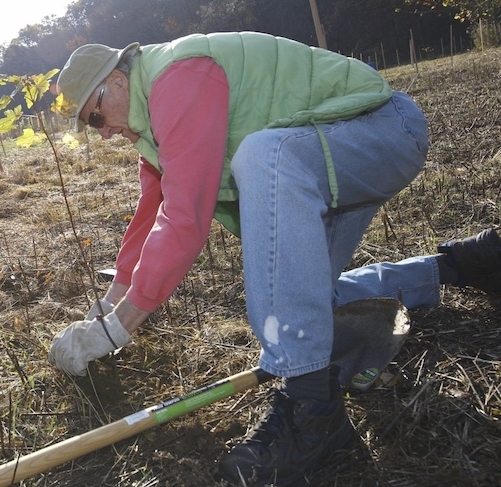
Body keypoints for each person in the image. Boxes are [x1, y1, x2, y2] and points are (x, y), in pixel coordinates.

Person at [48, 31, 501, 486]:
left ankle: (311, 405)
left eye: (95, 116)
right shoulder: (149, 124)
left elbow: (185, 217)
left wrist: (120, 327)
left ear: (116, 79)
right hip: (323, 161)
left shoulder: (177, 76)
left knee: (266, 154)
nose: (102, 131)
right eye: (92, 124)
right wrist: (108, 306)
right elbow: (151, 215)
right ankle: (462, 265)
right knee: (300, 297)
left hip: (380, 129)